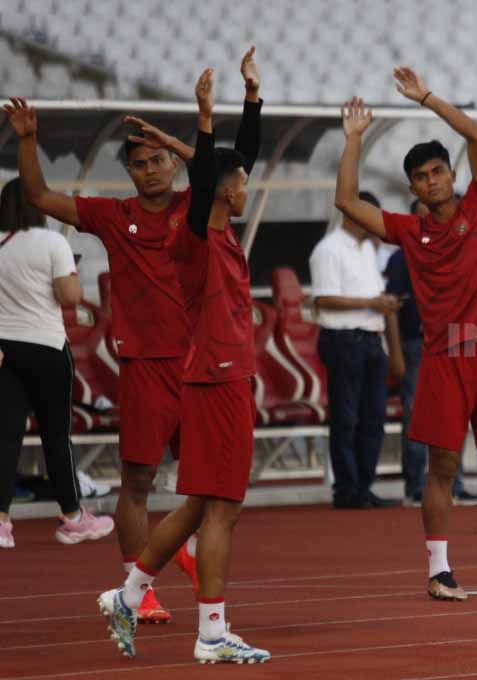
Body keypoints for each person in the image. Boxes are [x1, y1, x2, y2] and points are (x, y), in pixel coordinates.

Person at [334, 65, 477, 602]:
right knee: (443, 468)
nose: (432, 181)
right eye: (422, 177)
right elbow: (346, 203)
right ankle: (438, 570)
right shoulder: (409, 229)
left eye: (437, 171)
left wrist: (426, 96)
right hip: (443, 360)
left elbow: (476, 134)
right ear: (412, 188)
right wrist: (354, 140)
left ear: (450, 174)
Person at [5, 94, 203, 622]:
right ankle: (140, 592)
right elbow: (39, 193)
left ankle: (179, 547)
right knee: (137, 484)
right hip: (144, 368)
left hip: (202, 366)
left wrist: (172, 137)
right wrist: (28, 140)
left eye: (156, 159)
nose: (148, 170)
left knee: (211, 485)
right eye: (138, 164)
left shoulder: (196, 205)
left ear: (173, 163)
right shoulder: (114, 216)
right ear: (130, 174)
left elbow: (223, 171)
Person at [98, 58, 270, 664]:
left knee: (199, 503)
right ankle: (212, 633)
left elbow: (236, 155)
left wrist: (251, 98)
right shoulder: (194, 236)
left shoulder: (219, 228)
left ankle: (128, 594)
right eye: (242, 181)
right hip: (216, 382)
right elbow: (210, 174)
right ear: (224, 190)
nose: (248, 184)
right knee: (224, 510)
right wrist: (199, 119)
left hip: (218, 378)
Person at [0, 178, 114, 549]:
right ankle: (72, 517)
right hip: (47, 347)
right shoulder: (53, 242)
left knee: (5, 436)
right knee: (55, 436)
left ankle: (1, 522)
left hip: (5, 349)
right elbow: (69, 296)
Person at [381, 200, 477, 508]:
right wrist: (395, 350)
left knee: (456, 413)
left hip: (453, 343)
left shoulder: (458, 249)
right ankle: (415, 484)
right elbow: (391, 307)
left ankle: (455, 483)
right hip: (416, 344)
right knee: (417, 413)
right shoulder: (400, 257)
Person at [310, 190, 401, 509]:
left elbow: (373, 294)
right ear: (353, 213)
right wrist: (371, 303)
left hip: (371, 338)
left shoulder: (367, 249)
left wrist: (382, 306)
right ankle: (346, 489)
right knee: (346, 417)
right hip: (343, 339)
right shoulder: (329, 249)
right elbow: (323, 298)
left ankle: (364, 485)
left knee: (373, 417)